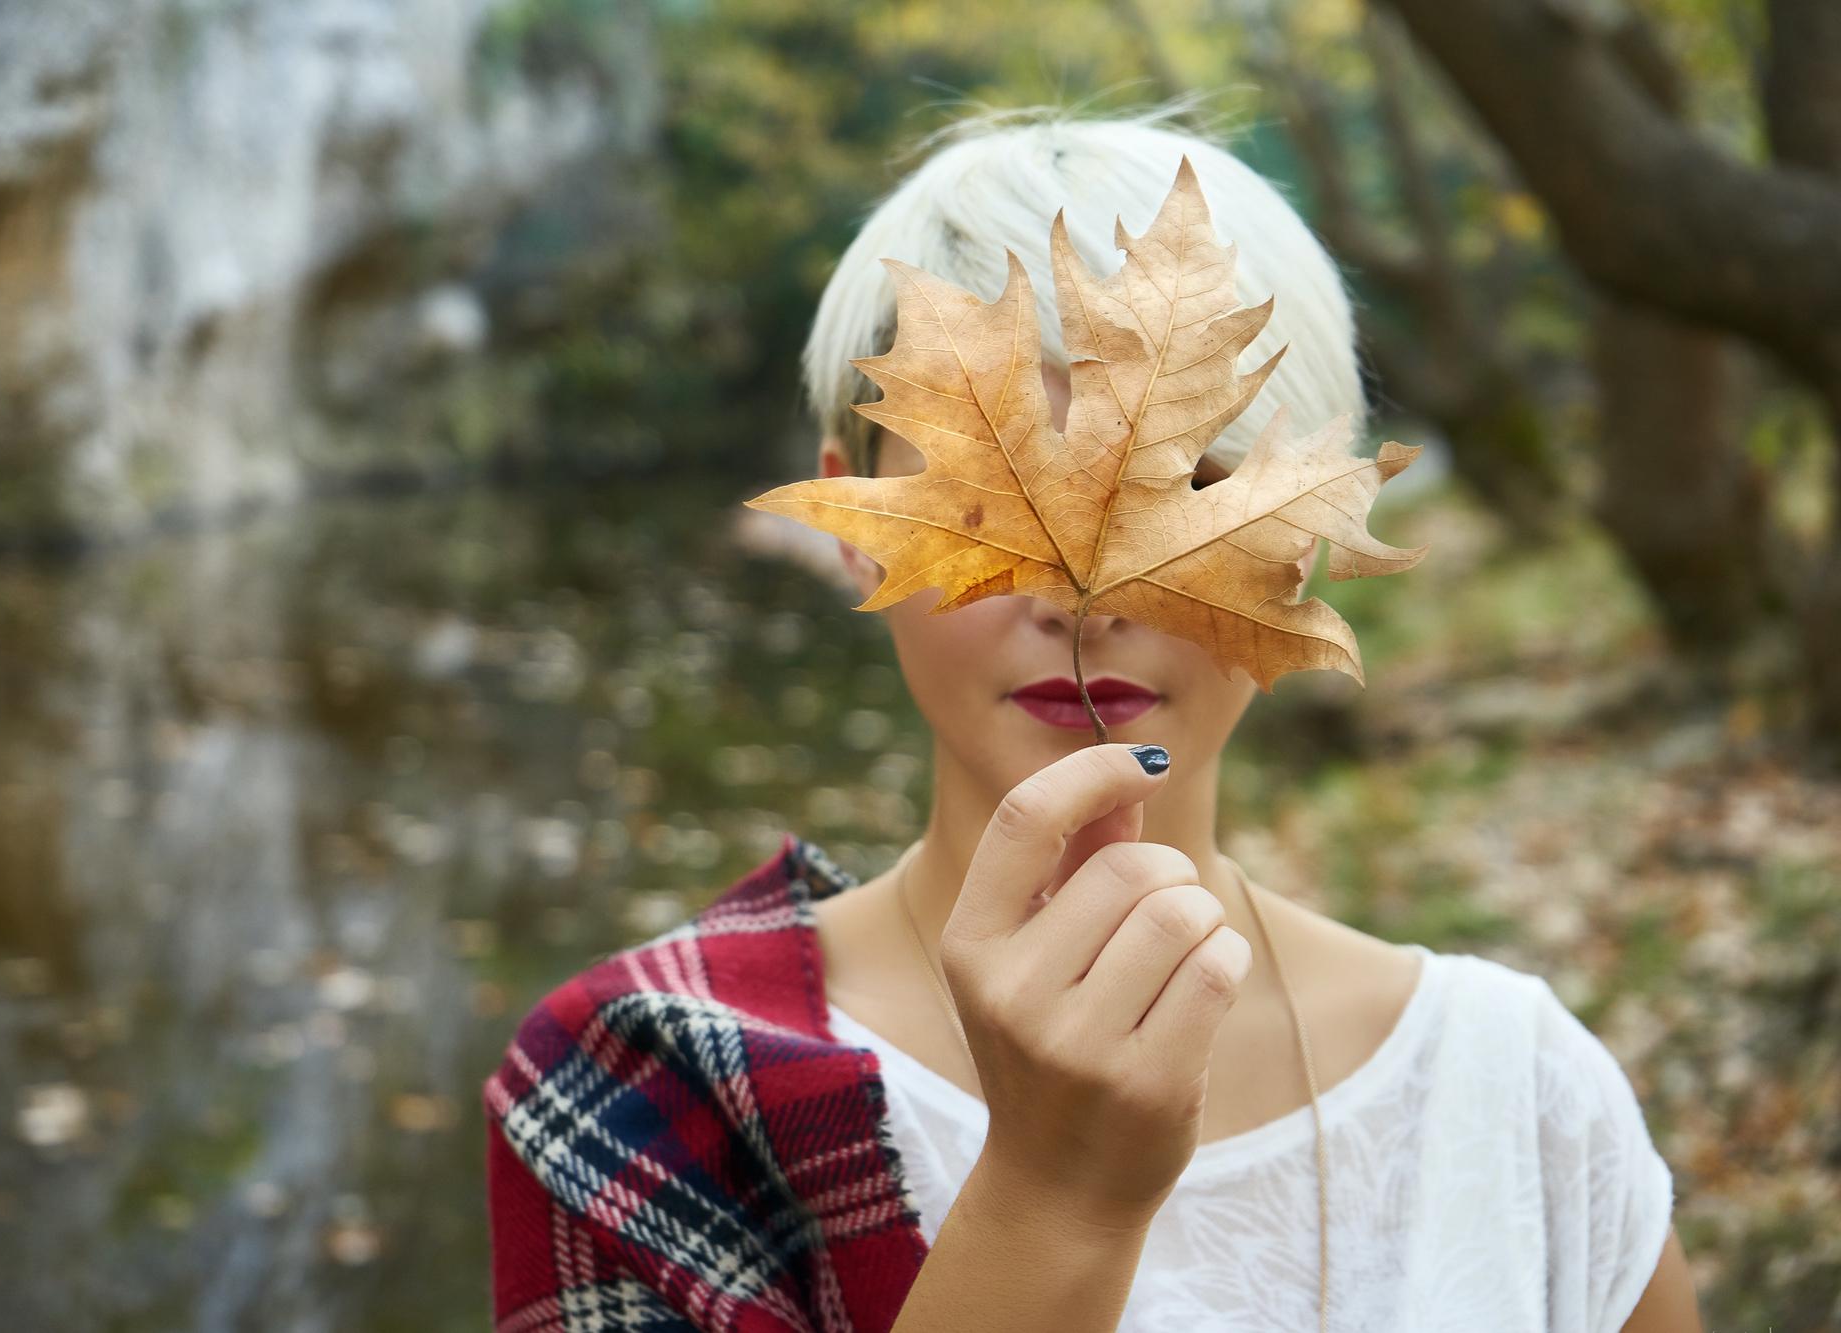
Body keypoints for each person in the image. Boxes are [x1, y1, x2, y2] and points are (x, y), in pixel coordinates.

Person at [485, 112, 1703, 1333]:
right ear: (855, 530)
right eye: (984, 504)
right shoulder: (644, 1090)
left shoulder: (1513, 1093)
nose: (1081, 597)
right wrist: (1050, 1198)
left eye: (1192, 489)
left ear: (1309, 533)